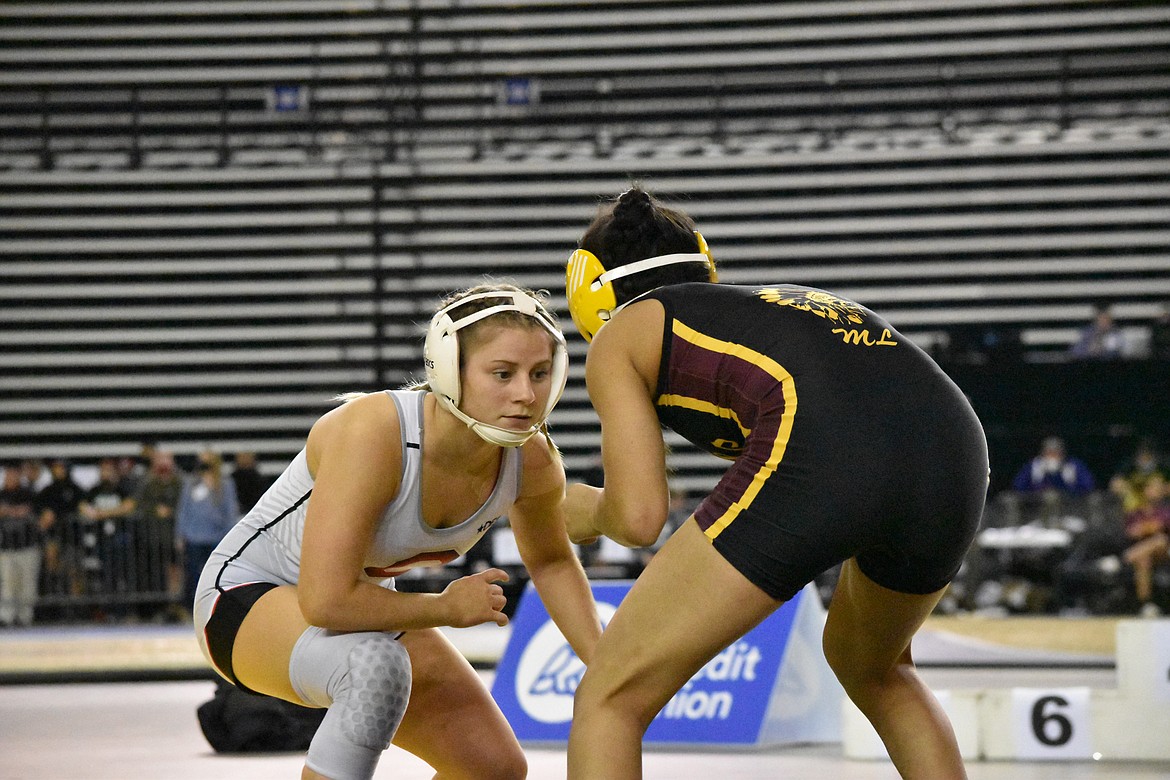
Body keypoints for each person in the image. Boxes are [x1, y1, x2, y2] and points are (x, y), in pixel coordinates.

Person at [561, 187, 988, 780]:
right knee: (876, 669)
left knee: (610, 696)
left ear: (590, 292)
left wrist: (583, 510)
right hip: (955, 450)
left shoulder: (622, 336)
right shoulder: (768, 306)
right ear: (704, 265)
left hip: (828, 450)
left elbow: (637, 518)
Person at [192, 283, 601, 780]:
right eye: (502, 373)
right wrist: (445, 609)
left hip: (360, 606)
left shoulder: (532, 463)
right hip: (244, 596)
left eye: (540, 374)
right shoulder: (374, 432)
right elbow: (324, 602)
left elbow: (553, 562)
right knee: (376, 670)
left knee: (492, 768)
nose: (526, 394)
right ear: (449, 369)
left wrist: (604, 665)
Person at [178, 449, 239, 614]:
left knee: (215, 575)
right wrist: (180, 535)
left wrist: (229, 536)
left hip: (216, 536)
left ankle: (215, 606)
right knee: (193, 574)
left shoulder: (225, 484)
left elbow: (230, 511)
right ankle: (193, 608)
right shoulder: (191, 483)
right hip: (194, 536)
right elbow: (183, 510)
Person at [0, 464, 47, 627]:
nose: (10, 478)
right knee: (7, 584)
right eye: (7, 475)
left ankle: (24, 617)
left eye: (13, 475)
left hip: (28, 545)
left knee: (27, 584)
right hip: (6, 547)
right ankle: (6, 617)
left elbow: (38, 513)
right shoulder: (1, 494)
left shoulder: (29, 494)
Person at [1122, 473, 1170, 617]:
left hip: (1165, 551)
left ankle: (1127, 557)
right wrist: (1150, 528)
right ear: (1145, 490)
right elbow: (1131, 532)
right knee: (1143, 560)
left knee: (1160, 540)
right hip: (1146, 553)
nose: (1155, 491)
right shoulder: (1136, 512)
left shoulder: (1165, 510)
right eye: (1152, 488)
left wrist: (1146, 528)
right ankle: (1146, 604)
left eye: (1158, 488)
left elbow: (1162, 528)